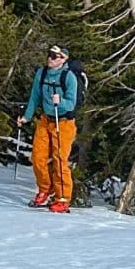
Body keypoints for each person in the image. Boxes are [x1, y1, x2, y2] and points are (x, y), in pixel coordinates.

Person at [19, 44, 82, 213]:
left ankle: (63, 197)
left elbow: (71, 104)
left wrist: (60, 102)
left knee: (59, 160)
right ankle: (45, 189)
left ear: (63, 59)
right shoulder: (42, 73)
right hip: (45, 120)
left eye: (54, 56)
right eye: (49, 54)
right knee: (37, 157)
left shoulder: (69, 77)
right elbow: (35, 96)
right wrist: (26, 116)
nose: (50, 58)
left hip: (64, 123)